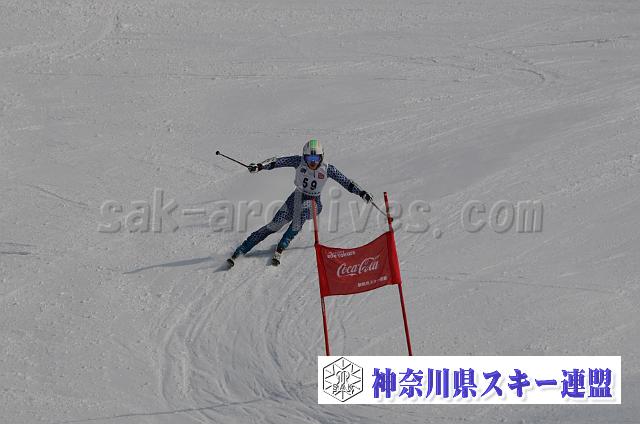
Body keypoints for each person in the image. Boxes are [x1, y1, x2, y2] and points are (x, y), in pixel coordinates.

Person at [228, 139, 372, 267]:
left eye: (316, 158)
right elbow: (277, 161)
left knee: (304, 210)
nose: (312, 162)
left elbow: (346, 182)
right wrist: (259, 166)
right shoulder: (299, 161)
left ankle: (283, 243)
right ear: (304, 157)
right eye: (309, 158)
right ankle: (242, 248)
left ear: (321, 157)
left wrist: (362, 193)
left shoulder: (328, 169)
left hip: (314, 202)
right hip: (296, 197)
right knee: (275, 225)